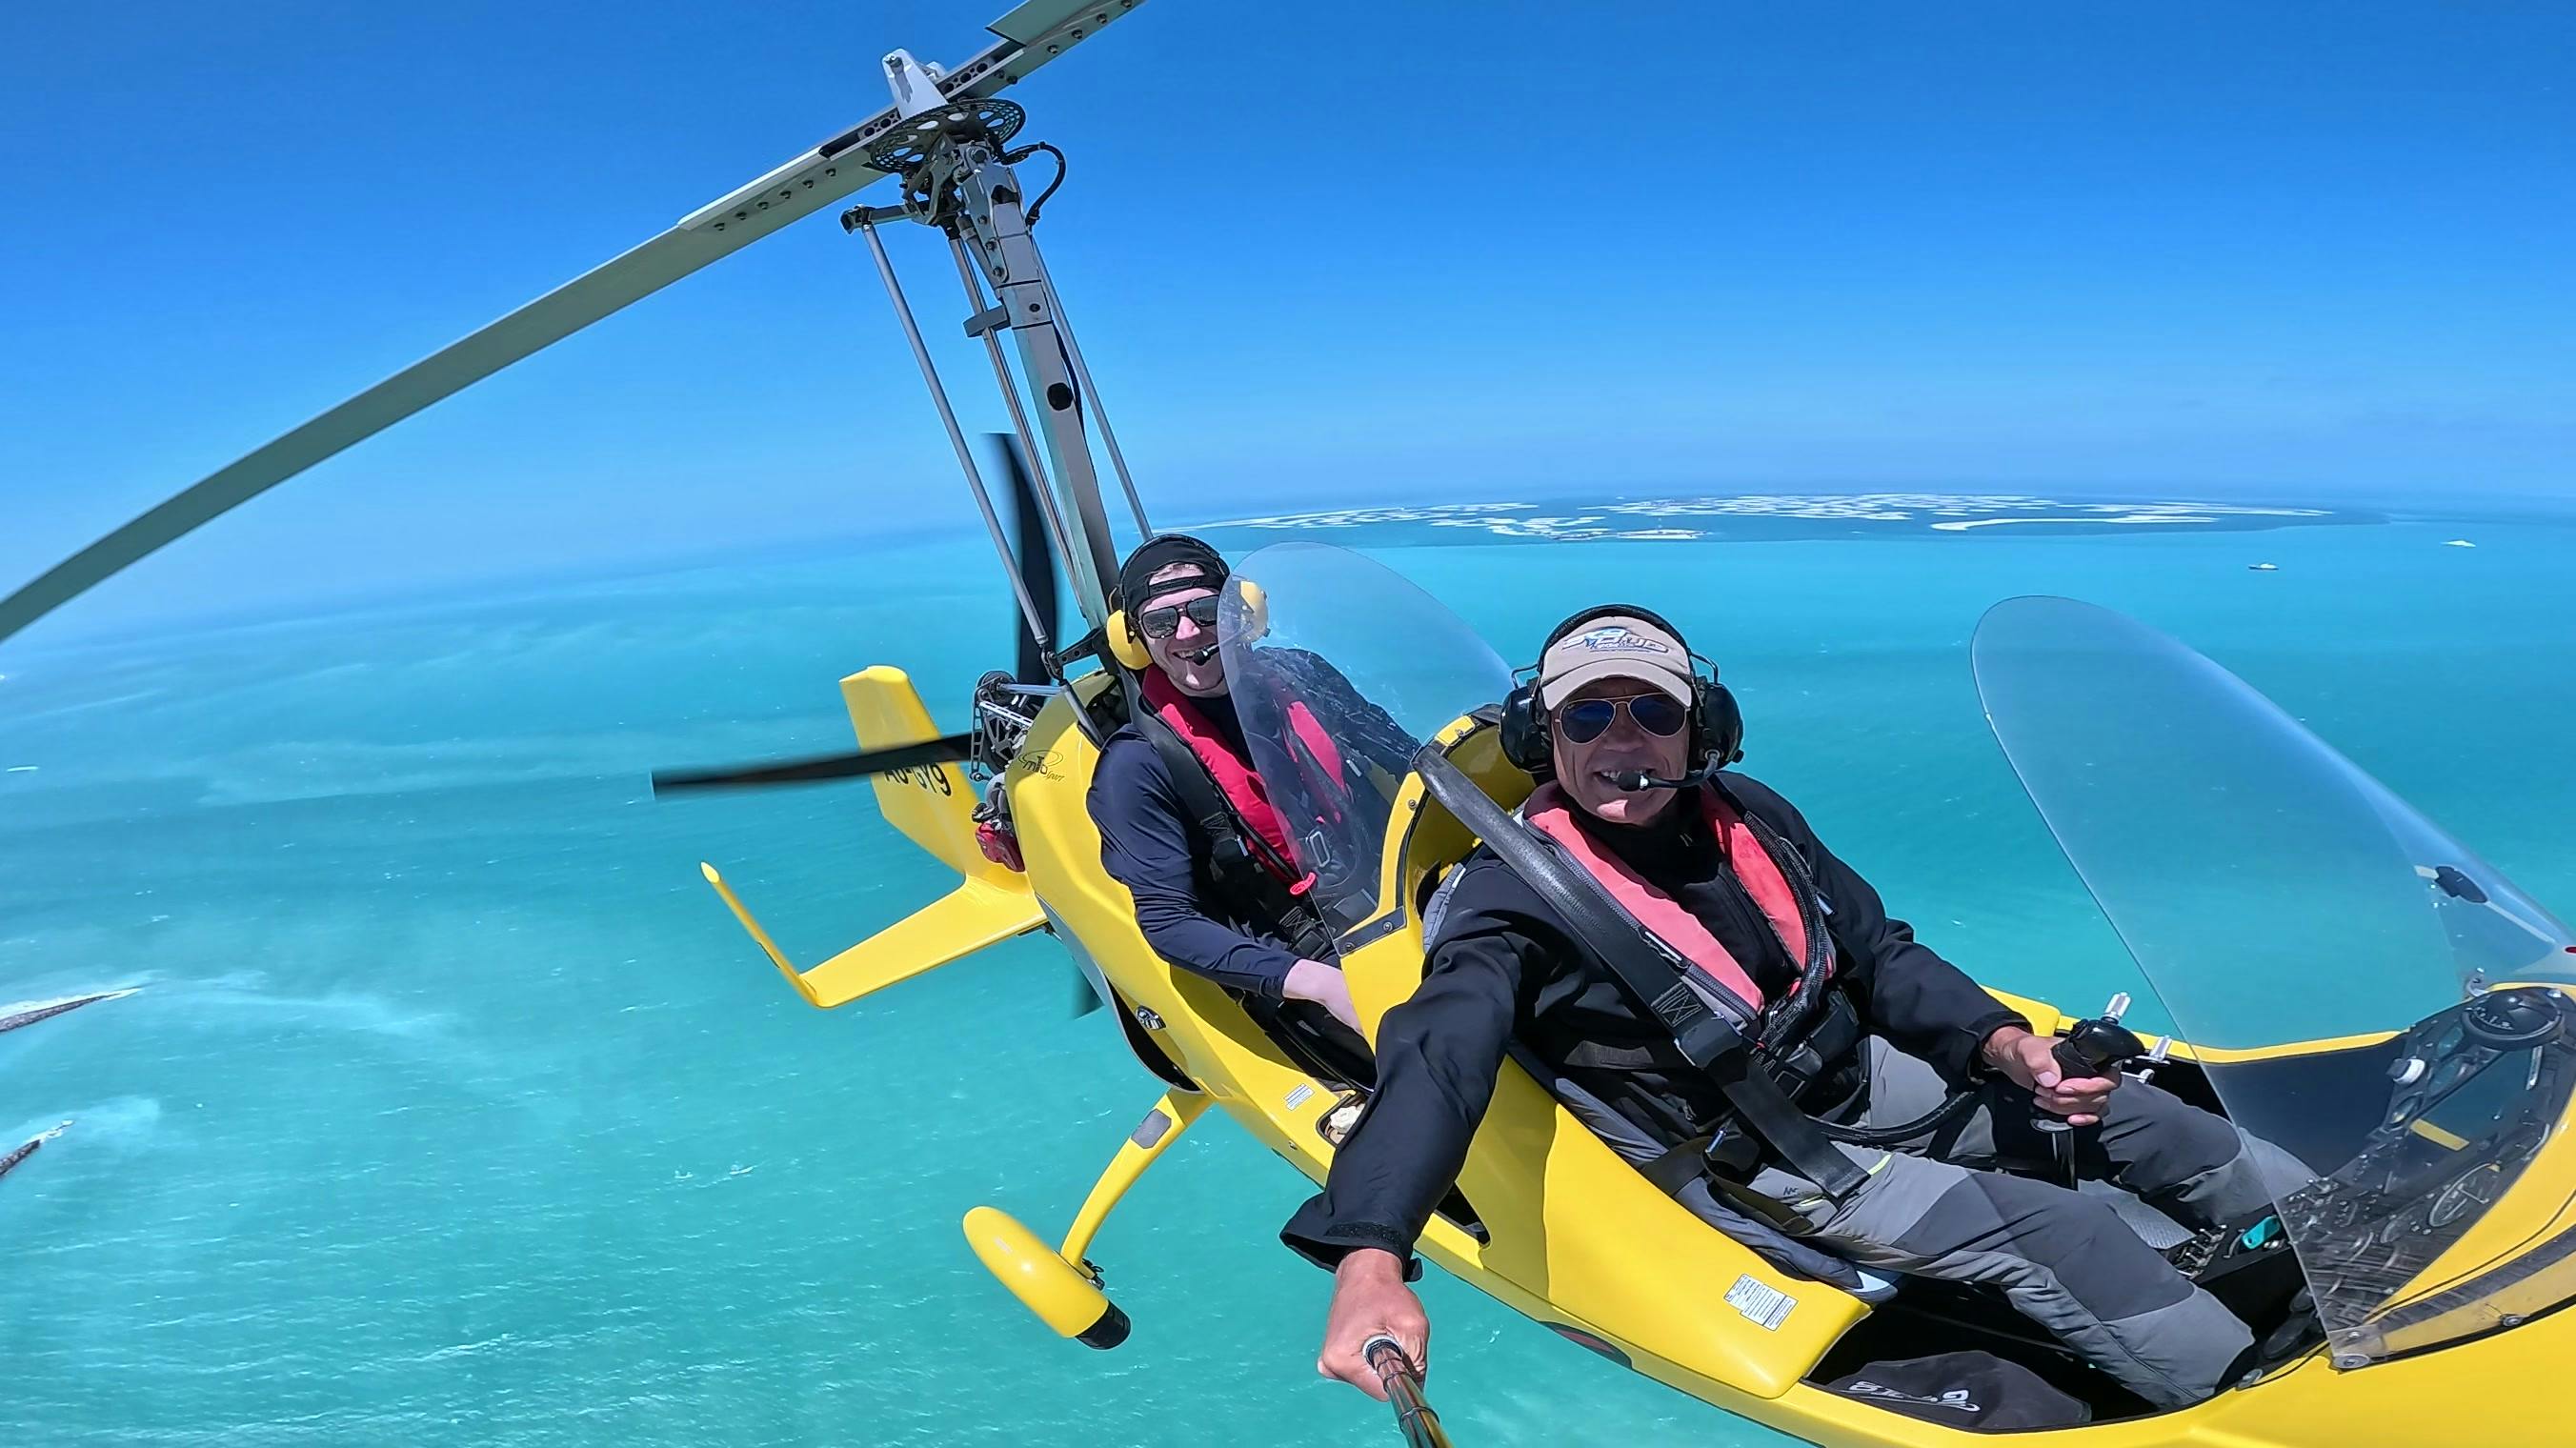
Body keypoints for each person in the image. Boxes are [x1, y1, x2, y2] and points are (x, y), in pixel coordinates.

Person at [1285, 605, 2304, 1411]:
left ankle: (2349, 1266)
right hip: (1758, 1151)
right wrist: (1372, 1251)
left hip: (1858, 1074)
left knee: (2146, 1116)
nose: (1619, 739)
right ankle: (2266, 1402)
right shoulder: (1512, 901)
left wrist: (1999, 1042)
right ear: (1543, 737)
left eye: (1651, 711)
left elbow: (1877, 951)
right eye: (1585, 717)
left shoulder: (1750, 816)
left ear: (1702, 730)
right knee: (2055, 1231)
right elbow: (1437, 1057)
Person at [1087, 534, 1372, 1068]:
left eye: (1203, 609)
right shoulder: (1138, 766)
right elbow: (1169, 922)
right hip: (1306, 953)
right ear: (1135, 641)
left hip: (1390, 899)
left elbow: (1405, 755)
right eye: (1161, 622)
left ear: (1241, 611)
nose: (1189, 632)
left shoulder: (1301, 677)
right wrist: (1317, 984)